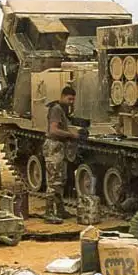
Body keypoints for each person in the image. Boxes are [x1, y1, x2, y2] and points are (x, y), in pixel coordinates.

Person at [41, 86, 80, 224]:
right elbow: (53, 130)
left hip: (59, 147)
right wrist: (71, 135)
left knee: (60, 180)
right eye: (69, 99)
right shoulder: (56, 109)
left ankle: (60, 210)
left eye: (73, 100)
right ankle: (49, 212)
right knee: (53, 181)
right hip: (54, 146)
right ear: (63, 96)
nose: (71, 102)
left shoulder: (61, 109)